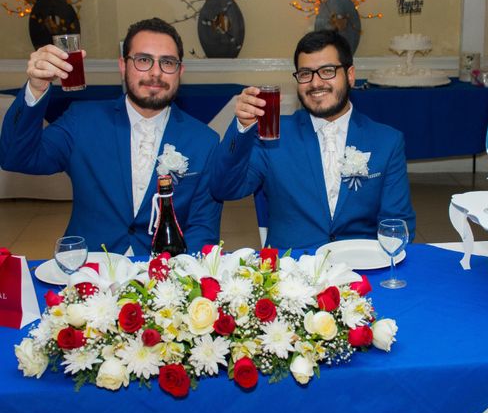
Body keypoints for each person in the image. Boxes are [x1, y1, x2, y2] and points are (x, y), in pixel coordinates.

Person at [0, 18, 220, 255]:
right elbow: (15, 157)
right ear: (123, 66)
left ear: (180, 71)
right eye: (143, 60)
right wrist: (36, 87)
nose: (156, 72)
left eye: (167, 62)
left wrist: (180, 280)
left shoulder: (204, 140)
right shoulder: (82, 120)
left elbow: (202, 228)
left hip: (164, 275)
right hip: (88, 268)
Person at [215, 29, 416, 250]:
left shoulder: (386, 141)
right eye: (305, 74)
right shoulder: (273, 136)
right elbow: (225, 188)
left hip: (361, 268)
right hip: (292, 271)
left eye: (327, 71)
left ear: (350, 75)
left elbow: (398, 224)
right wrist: (242, 129)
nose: (315, 83)